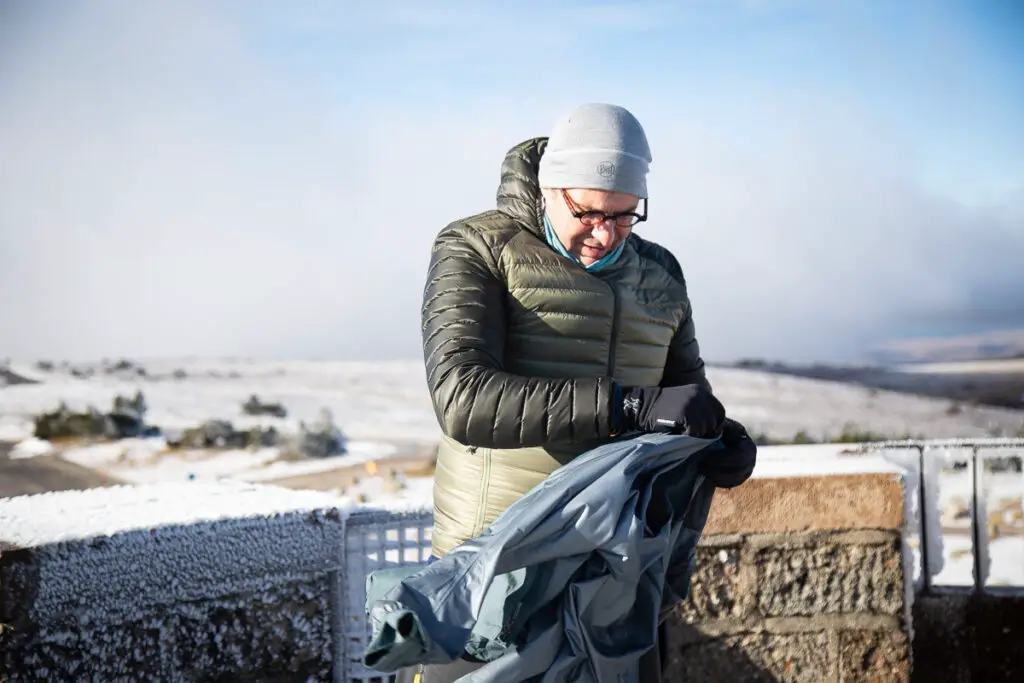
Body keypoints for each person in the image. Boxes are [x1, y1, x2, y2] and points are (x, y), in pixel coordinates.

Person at [408, 103, 756, 683]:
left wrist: (721, 443)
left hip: (618, 574)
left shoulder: (661, 274)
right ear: (549, 188)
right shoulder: (477, 248)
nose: (605, 234)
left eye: (625, 216)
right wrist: (628, 406)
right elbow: (462, 399)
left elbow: (687, 399)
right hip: (500, 570)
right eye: (588, 212)